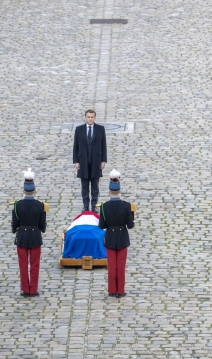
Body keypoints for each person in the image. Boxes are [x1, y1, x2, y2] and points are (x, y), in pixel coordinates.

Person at [99, 169, 134, 298]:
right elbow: (130, 225)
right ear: (119, 191)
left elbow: (102, 225)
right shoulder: (126, 206)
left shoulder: (104, 206)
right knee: (121, 266)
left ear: (109, 191)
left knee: (111, 266)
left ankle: (112, 290)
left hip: (110, 238)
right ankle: (120, 290)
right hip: (122, 238)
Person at [12, 168, 47, 297]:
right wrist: (41, 230)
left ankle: (25, 289)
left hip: (21, 236)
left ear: (23, 191)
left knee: (22, 264)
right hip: (35, 236)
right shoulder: (40, 205)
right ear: (35, 191)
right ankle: (33, 289)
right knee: (34, 264)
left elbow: (15, 223)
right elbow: (42, 225)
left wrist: (15, 229)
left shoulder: (17, 205)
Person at [73, 109, 107, 212]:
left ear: (95, 117)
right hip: (83, 161)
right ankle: (85, 206)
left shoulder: (100, 129)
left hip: (96, 161)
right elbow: (76, 146)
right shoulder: (79, 129)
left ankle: (94, 206)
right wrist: (76, 161)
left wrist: (103, 160)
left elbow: (103, 145)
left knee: (95, 186)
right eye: (88, 117)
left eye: (92, 117)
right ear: (85, 117)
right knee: (84, 186)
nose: (90, 119)